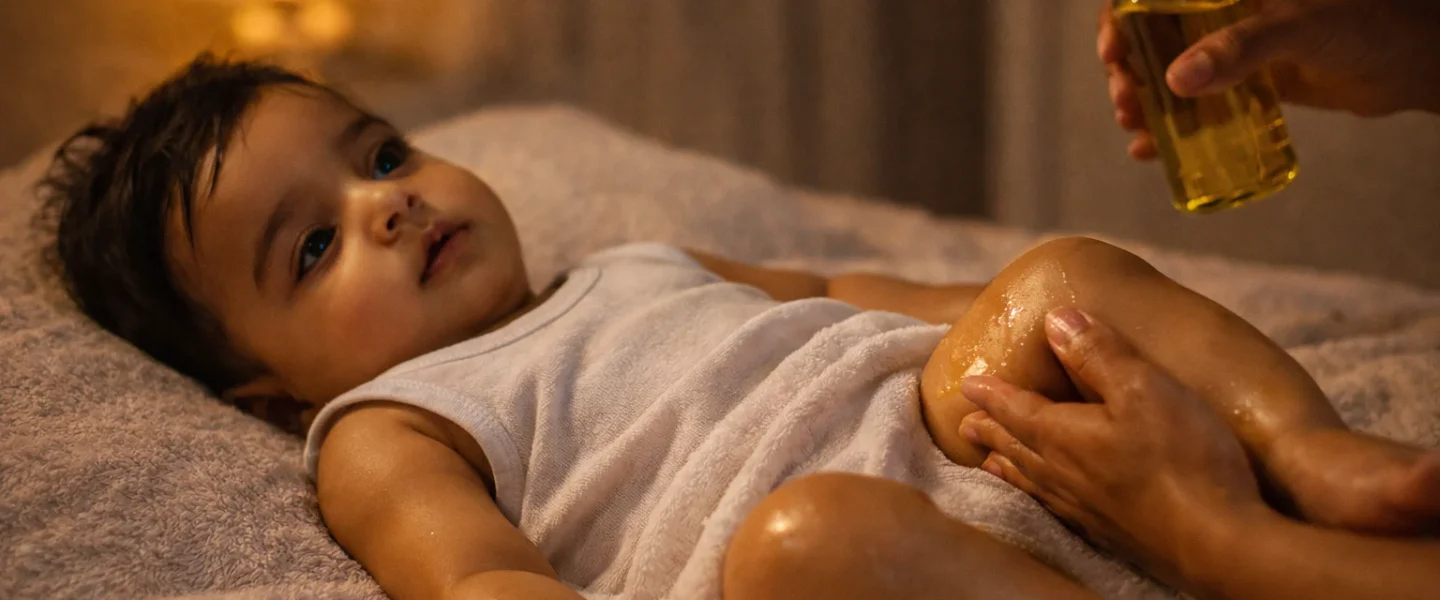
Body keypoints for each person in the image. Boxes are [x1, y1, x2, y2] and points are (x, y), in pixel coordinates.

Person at [38, 51, 1436, 600]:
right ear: (267, 393)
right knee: (805, 543)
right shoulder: (390, 425)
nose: (389, 206)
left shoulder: (633, 264)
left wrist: (1022, 313)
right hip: (853, 557)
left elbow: (852, 297)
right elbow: (473, 578)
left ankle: (1309, 457)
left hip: (981, 435)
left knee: (1062, 261)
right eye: (318, 242)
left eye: (385, 155)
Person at [956, 1, 1440, 598]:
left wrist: (1201, 534)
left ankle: (1307, 450)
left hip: (933, 408)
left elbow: (860, 289)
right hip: (865, 469)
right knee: (824, 530)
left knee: (1063, 274)